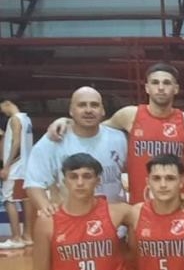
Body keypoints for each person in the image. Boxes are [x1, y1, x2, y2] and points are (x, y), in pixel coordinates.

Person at [46, 63, 184, 204]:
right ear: (147, 87)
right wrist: (67, 121)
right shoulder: (129, 115)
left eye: (166, 83)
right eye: (155, 82)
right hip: (140, 202)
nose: (160, 87)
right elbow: (92, 127)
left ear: (176, 88)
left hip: (179, 199)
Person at [25, 87, 127, 215]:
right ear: (71, 111)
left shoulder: (119, 138)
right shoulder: (53, 140)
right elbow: (34, 182)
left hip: (114, 228)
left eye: (94, 105)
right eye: (82, 105)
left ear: (103, 111)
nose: (88, 110)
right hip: (70, 228)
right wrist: (46, 208)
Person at [0, 99, 34, 248]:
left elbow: (16, 144)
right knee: (25, 200)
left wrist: (6, 166)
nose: (2, 112)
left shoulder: (15, 119)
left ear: (7, 103)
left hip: (15, 168)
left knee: (9, 200)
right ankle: (27, 236)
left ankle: (15, 238)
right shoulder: (26, 119)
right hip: (25, 167)